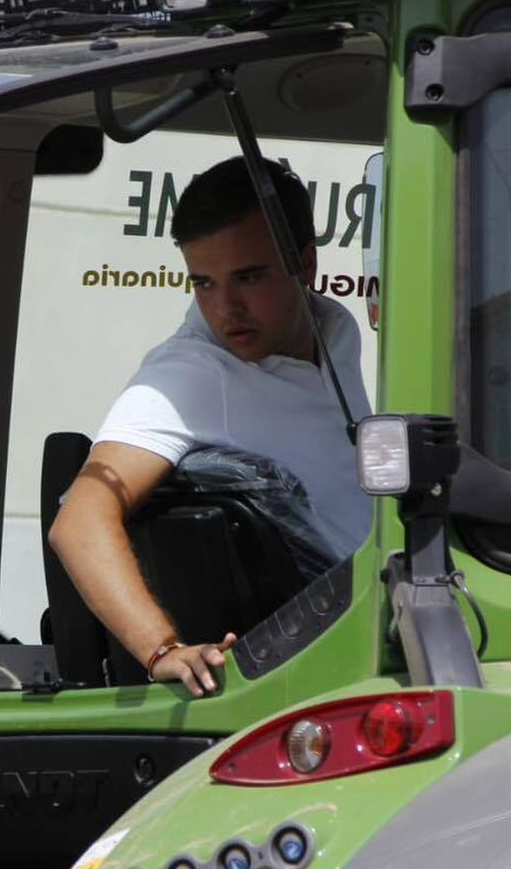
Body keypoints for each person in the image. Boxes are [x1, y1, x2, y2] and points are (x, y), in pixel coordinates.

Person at [48, 155, 371, 697]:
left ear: (306, 266)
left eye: (248, 277)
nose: (226, 309)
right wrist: (163, 650)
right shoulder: (191, 373)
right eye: (204, 282)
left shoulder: (335, 326)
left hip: (384, 616)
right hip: (317, 666)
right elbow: (77, 522)